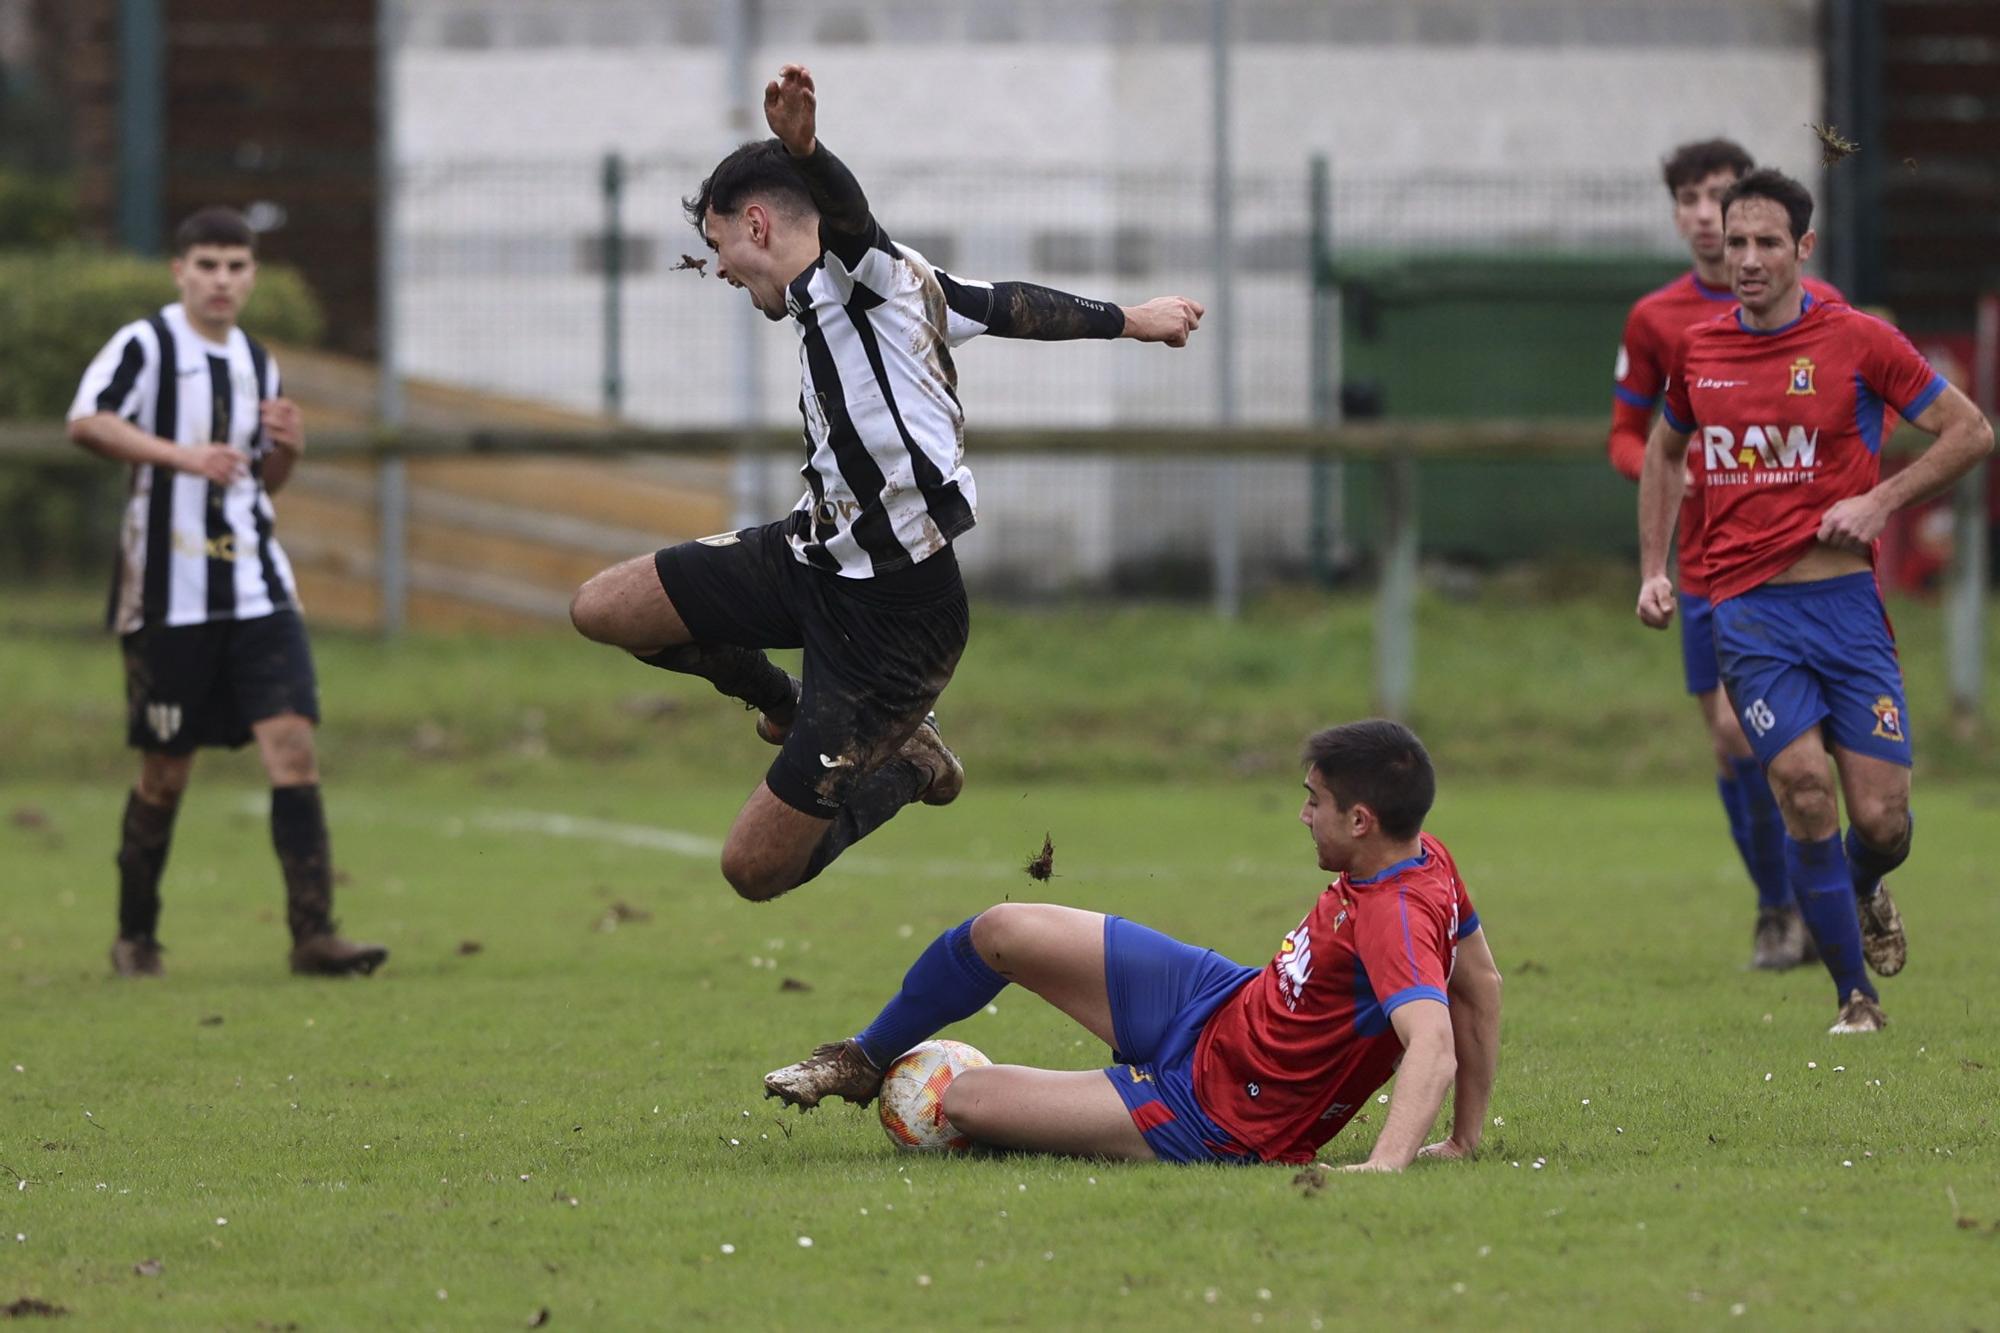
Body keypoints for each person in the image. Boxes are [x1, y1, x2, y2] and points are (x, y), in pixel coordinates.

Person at [569, 64, 1204, 903]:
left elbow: (849, 214)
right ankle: (783, 700)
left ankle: (905, 767)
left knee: (753, 870)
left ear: (756, 222)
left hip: (894, 622)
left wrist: (810, 150)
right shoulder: (903, 283)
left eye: (719, 246)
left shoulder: (856, 272)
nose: (719, 268)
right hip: (809, 557)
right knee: (603, 608)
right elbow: (1010, 302)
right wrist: (1129, 318)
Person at [763, 721, 1503, 1170]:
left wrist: (1384, 1164)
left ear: (1363, 819)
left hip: (1218, 1112)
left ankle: (1098, 1107)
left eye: (1316, 801)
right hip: (1222, 1002)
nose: (1303, 814)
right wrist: (1465, 1138)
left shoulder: (1396, 917)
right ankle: (860, 1059)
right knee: (1001, 930)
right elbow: (1483, 985)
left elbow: (1432, 1041)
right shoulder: (1425, 855)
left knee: (962, 1099)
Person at [1636, 169, 1994, 1033]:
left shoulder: (1861, 341)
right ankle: (1854, 998)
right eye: (1736, 242)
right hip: (1747, 612)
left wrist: (1880, 501)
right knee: (1800, 785)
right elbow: (1662, 455)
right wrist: (1656, 566)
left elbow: (1972, 430)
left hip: (1846, 611)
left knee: (1883, 817)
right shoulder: (1700, 351)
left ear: (1803, 249)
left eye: (1768, 243)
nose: (1748, 259)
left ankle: (1865, 880)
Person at [66, 206, 388, 979]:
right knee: (166, 767)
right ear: (181, 271)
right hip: (170, 594)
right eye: (206, 265)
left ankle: (314, 933)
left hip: (256, 585)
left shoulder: (256, 360)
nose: (221, 280)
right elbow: (87, 422)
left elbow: (261, 481)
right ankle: (135, 935)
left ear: (251, 276)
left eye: (236, 267)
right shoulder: (146, 344)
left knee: (293, 746)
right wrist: (180, 455)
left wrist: (288, 449)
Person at [1610, 139, 1844, 972]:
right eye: (1692, 199)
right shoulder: (1656, 321)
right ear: (1677, 214)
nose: (1708, 215)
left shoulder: (1823, 315)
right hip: (1708, 562)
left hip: (1797, 563)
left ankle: (1819, 892)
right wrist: (1685, 476)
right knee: (1731, 740)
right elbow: (1628, 438)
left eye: (1721, 198)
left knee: (1801, 744)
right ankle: (1780, 906)